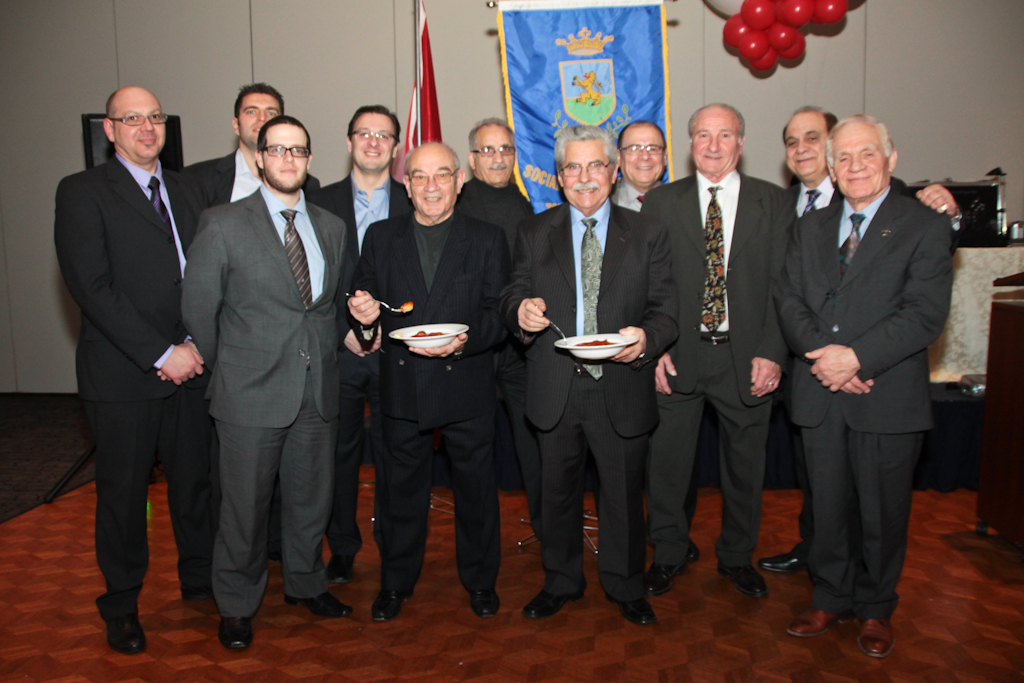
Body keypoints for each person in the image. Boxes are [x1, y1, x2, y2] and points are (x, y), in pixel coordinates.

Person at [775, 114, 953, 658]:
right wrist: (827, 360)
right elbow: (789, 299)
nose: (855, 166)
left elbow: (924, 314)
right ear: (830, 167)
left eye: (867, 154)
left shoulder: (923, 225)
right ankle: (829, 595)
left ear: (891, 160)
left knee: (882, 513)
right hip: (820, 393)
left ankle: (876, 607)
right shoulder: (807, 227)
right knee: (825, 507)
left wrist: (854, 359)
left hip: (886, 394)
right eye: (844, 157)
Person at [54, 86, 214, 655]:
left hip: (192, 364)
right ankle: (121, 605)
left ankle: (200, 581)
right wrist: (160, 352)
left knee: (196, 484)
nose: (147, 128)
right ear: (109, 129)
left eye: (154, 117)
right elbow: (92, 289)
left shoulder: (188, 187)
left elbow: (206, 273)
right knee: (122, 497)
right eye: (132, 119)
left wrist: (195, 342)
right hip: (123, 374)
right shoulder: (81, 192)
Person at [182, 115, 349, 650]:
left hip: (316, 389)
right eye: (277, 149)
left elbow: (324, 312)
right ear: (257, 157)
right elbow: (199, 312)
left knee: (309, 499)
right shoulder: (222, 223)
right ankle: (235, 604)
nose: (288, 159)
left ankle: (305, 583)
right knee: (244, 508)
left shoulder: (330, 226)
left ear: (308, 158)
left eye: (298, 150)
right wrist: (233, 369)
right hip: (249, 395)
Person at [500, 125, 678, 626]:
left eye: (595, 165)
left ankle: (625, 585)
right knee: (555, 494)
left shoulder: (648, 233)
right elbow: (511, 294)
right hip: (555, 383)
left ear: (614, 170)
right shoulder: (534, 232)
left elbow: (667, 311)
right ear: (558, 176)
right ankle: (561, 580)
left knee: (622, 495)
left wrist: (645, 340)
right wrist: (522, 312)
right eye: (572, 167)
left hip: (621, 383)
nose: (584, 178)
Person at [348, 142, 509, 622]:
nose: (431, 186)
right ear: (406, 184)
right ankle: (396, 583)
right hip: (402, 387)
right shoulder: (380, 236)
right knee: (399, 492)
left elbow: (499, 317)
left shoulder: (488, 238)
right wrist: (362, 316)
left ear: (460, 180)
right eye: (420, 176)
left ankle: (481, 582)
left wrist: (461, 342)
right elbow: (364, 305)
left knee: (477, 492)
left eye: (442, 175)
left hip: (468, 385)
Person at [641, 104, 794, 599]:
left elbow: (783, 286)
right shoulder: (661, 202)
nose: (712, 145)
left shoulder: (774, 203)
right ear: (689, 144)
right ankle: (667, 553)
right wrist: (654, 347)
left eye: (724, 135)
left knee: (746, 468)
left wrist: (773, 351)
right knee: (666, 466)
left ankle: (735, 557)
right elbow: (649, 284)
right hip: (679, 354)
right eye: (702, 135)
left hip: (746, 357)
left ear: (741, 143)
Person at [307, 105, 412, 585]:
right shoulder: (316, 203)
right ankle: (343, 547)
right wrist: (340, 330)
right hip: (338, 353)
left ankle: (395, 548)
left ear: (395, 148)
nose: (374, 142)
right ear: (348, 142)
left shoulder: (417, 201)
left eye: (384, 135)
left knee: (396, 456)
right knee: (338, 457)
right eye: (364, 134)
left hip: (398, 355)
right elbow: (303, 282)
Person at [455, 118, 541, 540]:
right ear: (472, 160)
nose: (498, 158)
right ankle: (479, 540)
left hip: (521, 347)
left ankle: (549, 531)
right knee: (474, 449)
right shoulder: (458, 203)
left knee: (536, 441)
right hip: (474, 344)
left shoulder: (524, 204)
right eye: (488, 150)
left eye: (505, 149)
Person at [185, 83, 320, 209]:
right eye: (251, 111)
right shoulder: (198, 179)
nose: (262, 118)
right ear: (235, 125)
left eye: (271, 113)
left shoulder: (307, 185)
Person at [611, 120, 667, 211]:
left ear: (664, 157)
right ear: (618, 157)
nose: (645, 156)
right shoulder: (599, 202)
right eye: (634, 148)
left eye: (653, 149)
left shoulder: (686, 204)